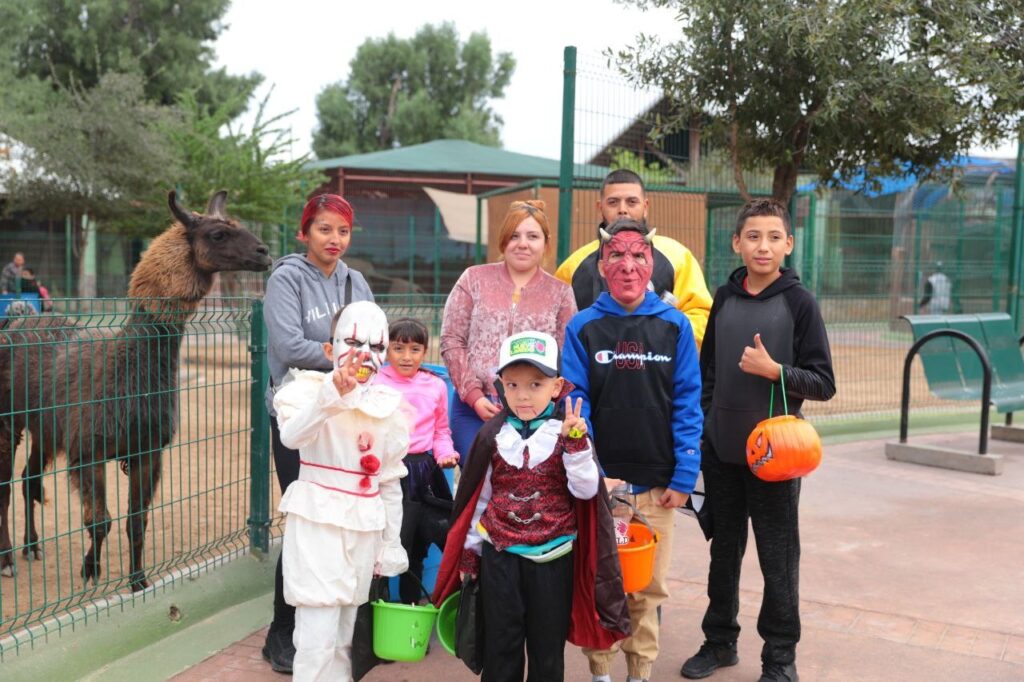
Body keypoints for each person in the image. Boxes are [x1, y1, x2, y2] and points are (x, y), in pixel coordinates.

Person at [680, 198, 834, 682]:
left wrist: (776, 373)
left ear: (788, 243)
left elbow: (823, 383)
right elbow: (707, 375)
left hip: (776, 459)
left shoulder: (800, 303)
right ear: (736, 243)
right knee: (723, 553)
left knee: (777, 559)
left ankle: (780, 658)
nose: (762, 246)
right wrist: (707, 426)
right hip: (723, 451)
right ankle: (719, 641)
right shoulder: (724, 298)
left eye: (773, 237)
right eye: (752, 236)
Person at [432, 330, 631, 681]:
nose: (523, 395)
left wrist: (575, 443)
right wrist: (470, 552)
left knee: (546, 650)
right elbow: (479, 498)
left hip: (553, 561)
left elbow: (586, 492)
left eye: (535, 384)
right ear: (501, 386)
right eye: (513, 385)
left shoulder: (567, 432)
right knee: (500, 647)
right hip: (500, 558)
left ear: (556, 387)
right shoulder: (491, 435)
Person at [561, 218, 703, 682]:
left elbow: (687, 401)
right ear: (602, 265)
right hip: (602, 488)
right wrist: (589, 471)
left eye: (638, 256)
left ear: (652, 264)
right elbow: (573, 403)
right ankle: (601, 672)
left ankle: (639, 673)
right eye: (616, 256)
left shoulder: (675, 327)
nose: (627, 265)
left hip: (659, 487)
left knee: (648, 591)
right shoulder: (583, 327)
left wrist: (684, 478)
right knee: (604, 587)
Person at [262, 193, 374, 673]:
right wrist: (342, 355)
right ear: (304, 233)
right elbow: (287, 346)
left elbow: (371, 343)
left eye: (343, 231)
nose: (334, 239)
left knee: (345, 519)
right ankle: (281, 633)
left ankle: (340, 635)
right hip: (299, 416)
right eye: (324, 229)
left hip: (346, 419)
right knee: (306, 522)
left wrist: (348, 356)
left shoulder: (357, 282)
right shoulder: (285, 278)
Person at [272, 300, 409, 681]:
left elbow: (389, 482)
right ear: (330, 349)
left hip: (363, 528)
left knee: (343, 637)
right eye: (353, 341)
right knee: (316, 634)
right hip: (318, 524)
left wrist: (391, 541)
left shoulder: (389, 409)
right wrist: (331, 395)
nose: (365, 355)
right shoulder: (306, 392)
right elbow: (293, 435)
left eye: (377, 346)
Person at [440, 200, 577, 464]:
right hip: (474, 409)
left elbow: (565, 355)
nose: (523, 243)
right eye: (514, 235)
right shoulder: (473, 279)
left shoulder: (560, 293)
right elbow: (452, 340)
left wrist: (544, 404)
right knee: (478, 487)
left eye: (533, 236)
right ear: (503, 241)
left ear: (545, 243)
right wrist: (474, 396)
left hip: (534, 413)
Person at [554, 169, 713, 348]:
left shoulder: (678, 257)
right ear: (600, 208)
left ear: (645, 207)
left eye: (631, 202)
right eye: (613, 202)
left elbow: (701, 315)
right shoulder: (572, 267)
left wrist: (662, 338)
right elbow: (558, 325)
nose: (622, 210)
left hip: (660, 371)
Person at [374, 316, 460, 605]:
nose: (406, 357)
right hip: (389, 472)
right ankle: (378, 610)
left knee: (420, 542)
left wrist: (445, 454)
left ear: (425, 352)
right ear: (387, 351)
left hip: (424, 472)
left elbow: (441, 431)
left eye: (414, 349)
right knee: (388, 541)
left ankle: (411, 608)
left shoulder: (434, 386)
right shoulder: (376, 381)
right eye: (398, 348)